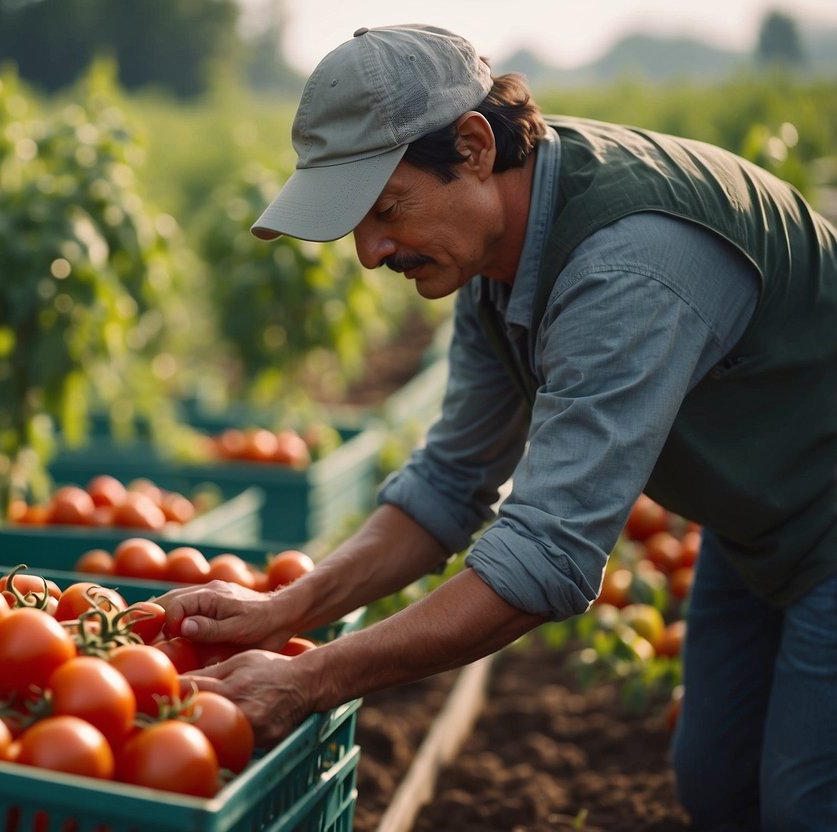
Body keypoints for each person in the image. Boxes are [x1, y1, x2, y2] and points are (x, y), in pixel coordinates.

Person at [157, 23, 837, 832]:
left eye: (385, 208)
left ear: (474, 147)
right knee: (717, 785)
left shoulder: (625, 265)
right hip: (761, 525)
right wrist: (287, 608)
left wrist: (314, 677)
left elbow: (546, 556)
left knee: (805, 804)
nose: (368, 253)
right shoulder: (496, 250)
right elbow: (450, 482)